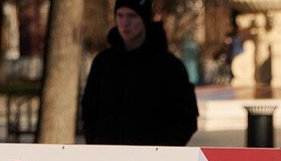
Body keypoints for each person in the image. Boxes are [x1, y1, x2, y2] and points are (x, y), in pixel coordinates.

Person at [81, 0, 200, 146]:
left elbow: (186, 117)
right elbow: (89, 108)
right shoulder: (103, 63)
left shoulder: (169, 67)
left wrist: (163, 150)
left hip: (154, 156)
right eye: (120, 15)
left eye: (132, 16)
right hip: (106, 155)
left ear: (144, 19)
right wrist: (95, 143)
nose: (125, 23)